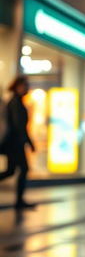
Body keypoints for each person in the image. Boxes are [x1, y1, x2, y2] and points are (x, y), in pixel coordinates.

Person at [0, 76, 37, 209]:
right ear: (18, 86)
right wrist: (29, 142)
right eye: (25, 85)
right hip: (15, 143)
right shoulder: (15, 102)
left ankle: (20, 201)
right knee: (23, 169)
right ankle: (19, 201)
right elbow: (19, 126)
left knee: (10, 171)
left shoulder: (17, 101)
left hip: (15, 142)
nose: (27, 88)